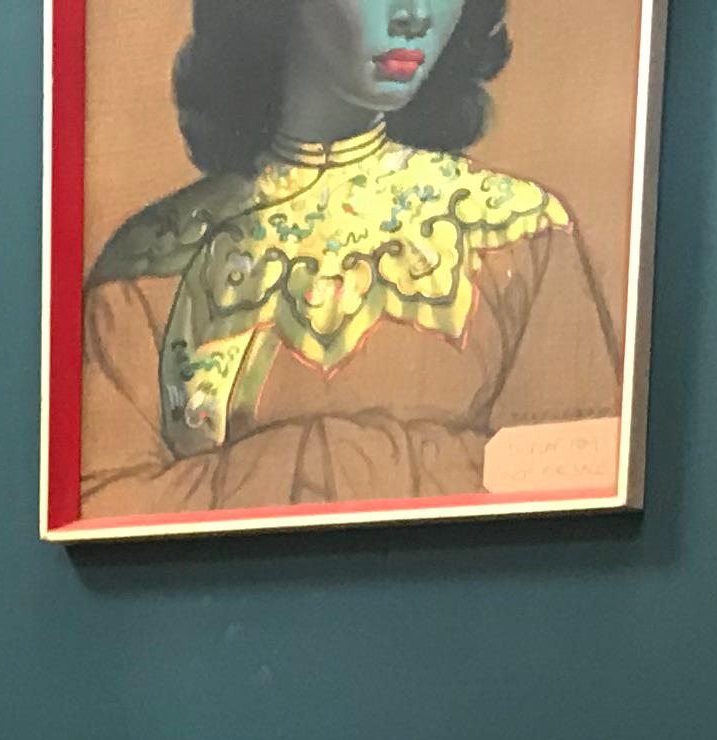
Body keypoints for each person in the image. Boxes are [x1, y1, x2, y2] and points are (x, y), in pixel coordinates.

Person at [80, 0, 623, 521]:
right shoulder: (149, 262)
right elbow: (107, 515)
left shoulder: (522, 233)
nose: (412, 16)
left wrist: (301, 465)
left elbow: (575, 492)